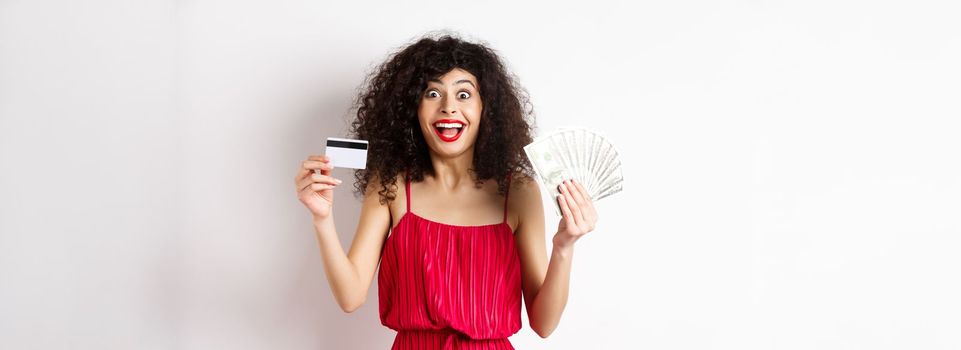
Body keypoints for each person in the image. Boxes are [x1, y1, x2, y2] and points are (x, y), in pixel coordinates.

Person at [294, 33, 598, 350]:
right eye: (433, 93)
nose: (449, 107)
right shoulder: (390, 185)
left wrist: (565, 246)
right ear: (412, 108)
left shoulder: (518, 191)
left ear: (486, 109)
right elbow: (350, 296)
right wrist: (322, 219)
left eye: (464, 94)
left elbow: (544, 324)